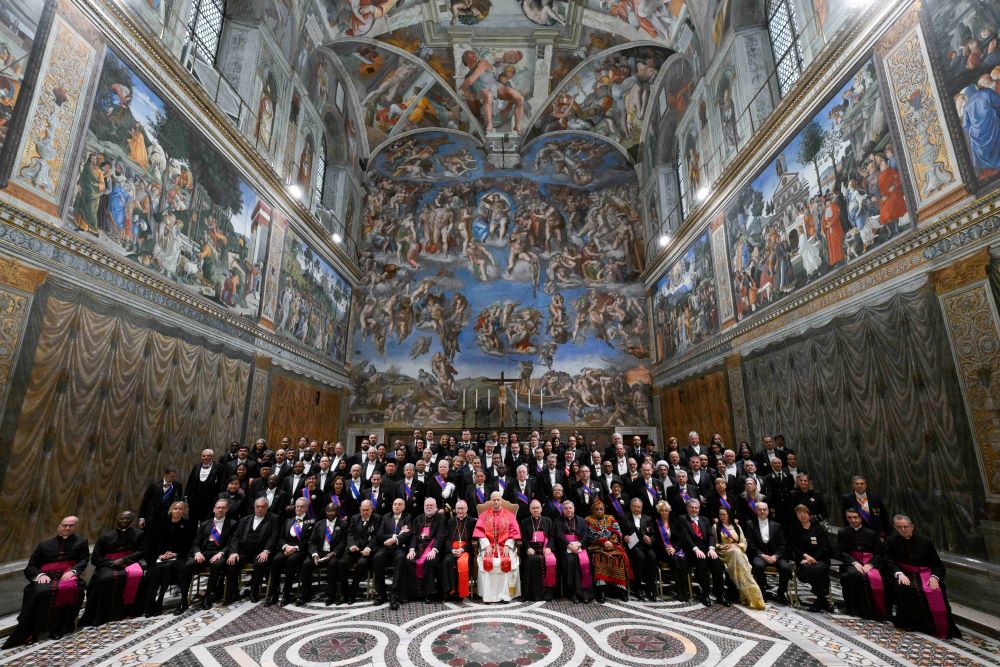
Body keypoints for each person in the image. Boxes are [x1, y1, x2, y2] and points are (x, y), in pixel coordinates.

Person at [3, 517, 89, 648]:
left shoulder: (81, 542)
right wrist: (39, 575)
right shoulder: (44, 545)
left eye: (70, 526)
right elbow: (32, 565)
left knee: (71, 590)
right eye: (64, 525)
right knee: (40, 592)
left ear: (75, 527)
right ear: (59, 526)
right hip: (46, 577)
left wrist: (74, 571)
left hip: (67, 576)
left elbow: (83, 560)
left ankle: (58, 628)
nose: (67, 528)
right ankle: (32, 631)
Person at [885, 514, 961, 638]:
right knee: (907, 588)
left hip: (926, 574)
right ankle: (914, 624)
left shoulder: (925, 542)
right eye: (899, 527)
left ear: (912, 526)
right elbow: (889, 561)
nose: (903, 530)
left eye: (906, 526)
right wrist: (899, 573)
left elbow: (937, 565)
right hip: (905, 574)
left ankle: (941, 626)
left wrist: (934, 577)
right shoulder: (891, 541)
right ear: (895, 527)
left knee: (936, 588)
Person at [79, 511, 145, 627]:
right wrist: (111, 562)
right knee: (105, 579)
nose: (125, 521)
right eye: (122, 518)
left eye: (128, 518)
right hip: (108, 565)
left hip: (129, 562)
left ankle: (130, 611)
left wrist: (124, 560)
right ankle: (102, 615)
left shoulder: (139, 534)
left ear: (132, 520)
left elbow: (142, 551)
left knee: (137, 575)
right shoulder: (105, 536)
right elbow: (95, 558)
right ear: (117, 519)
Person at [176, 498, 236, 613]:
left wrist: (221, 552)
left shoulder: (232, 524)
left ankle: (208, 596)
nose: (220, 509)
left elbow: (231, 543)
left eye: (223, 507)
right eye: (218, 507)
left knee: (217, 564)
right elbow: (195, 543)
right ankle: (183, 600)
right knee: (188, 565)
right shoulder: (204, 524)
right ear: (214, 509)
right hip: (204, 552)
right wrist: (197, 553)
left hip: (219, 552)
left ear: (227, 509)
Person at [142, 501, 194, 616]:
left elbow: (189, 544)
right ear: (171, 510)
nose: (177, 511)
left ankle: (179, 601)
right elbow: (153, 544)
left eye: (180, 509)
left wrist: (175, 554)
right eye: (175, 509)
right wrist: (160, 555)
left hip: (180, 556)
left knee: (171, 568)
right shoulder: (161, 524)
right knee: (154, 572)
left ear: (184, 511)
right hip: (162, 557)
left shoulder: (188, 525)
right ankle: (151, 603)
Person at [837, 507, 888, 620]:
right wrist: (854, 563)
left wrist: (870, 565)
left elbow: (879, 553)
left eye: (855, 517)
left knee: (878, 578)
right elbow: (841, 552)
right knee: (851, 575)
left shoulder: (872, 533)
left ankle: (874, 610)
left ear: (860, 518)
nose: (853, 520)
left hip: (869, 563)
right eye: (850, 518)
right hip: (851, 563)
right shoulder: (842, 532)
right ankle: (854, 608)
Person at [228, 498, 279, 604]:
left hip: (261, 552)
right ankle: (234, 593)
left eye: (263, 507)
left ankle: (254, 591)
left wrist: (266, 551)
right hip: (244, 552)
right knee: (231, 563)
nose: (260, 509)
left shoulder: (274, 519)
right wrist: (234, 552)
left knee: (260, 564)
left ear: (267, 507)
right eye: (257, 507)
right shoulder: (245, 520)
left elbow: (274, 536)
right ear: (254, 507)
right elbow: (235, 537)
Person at [473, 491, 522, 602]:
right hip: (489, 547)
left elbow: (514, 532)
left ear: (501, 500)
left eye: (498, 500)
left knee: (507, 561)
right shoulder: (484, 515)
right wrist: (486, 546)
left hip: (504, 547)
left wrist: (508, 545)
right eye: (494, 500)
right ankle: (488, 596)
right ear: (491, 501)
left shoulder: (509, 515)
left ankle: (505, 595)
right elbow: (480, 532)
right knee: (487, 561)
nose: (496, 502)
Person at [714, 508, 765, 609]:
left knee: (739, 557)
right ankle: (750, 595)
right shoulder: (716, 527)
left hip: (737, 552)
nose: (722, 516)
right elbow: (714, 543)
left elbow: (744, 542)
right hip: (724, 553)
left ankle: (749, 596)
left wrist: (736, 546)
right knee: (737, 555)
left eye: (724, 514)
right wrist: (722, 546)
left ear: (729, 515)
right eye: (720, 515)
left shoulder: (737, 527)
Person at [679, 499, 726, 607]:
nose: (694, 510)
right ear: (687, 508)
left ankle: (720, 595)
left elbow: (710, 536)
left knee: (717, 564)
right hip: (692, 550)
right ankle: (705, 594)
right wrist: (695, 549)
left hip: (706, 548)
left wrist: (711, 548)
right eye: (692, 507)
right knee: (702, 563)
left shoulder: (705, 520)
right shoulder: (682, 519)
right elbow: (685, 537)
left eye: (696, 508)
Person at [268, 497, 314, 606]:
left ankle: (286, 594)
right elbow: (280, 537)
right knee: (275, 560)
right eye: (297, 506)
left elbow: (309, 540)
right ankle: (273, 594)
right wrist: (285, 546)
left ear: (306, 508)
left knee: (291, 561)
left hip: (301, 550)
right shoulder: (288, 521)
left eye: (302, 506)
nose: (299, 508)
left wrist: (295, 548)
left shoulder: (311, 521)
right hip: (286, 548)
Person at [585, 499, 632, 602]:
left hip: (613, 545)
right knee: (599, 558)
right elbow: (588, 536)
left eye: (601, 509)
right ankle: (601, 590)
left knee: (619, 558)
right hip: (597, 547)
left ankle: (621, 589)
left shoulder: (611, 518)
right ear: (593, 510)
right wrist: (603, 542)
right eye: (596, 509)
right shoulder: (588, 520)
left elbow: (617, 532)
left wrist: (611, 541)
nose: (599, 511)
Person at [745, 502, 792, 605]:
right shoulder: (750, 524)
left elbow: (783, 544)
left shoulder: (777, 525)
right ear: (756, 511)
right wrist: (761, 555)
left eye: (764, 509)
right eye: (760, 509)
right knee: (757, 565)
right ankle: (762, 591)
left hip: (775, 555)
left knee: (785, 568)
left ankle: (781, 592)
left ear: (768, 511)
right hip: (760, 554)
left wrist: (776, 556)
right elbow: (749, 543)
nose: (762, 511)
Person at [300, 502, 347, 606]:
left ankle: (331, 595)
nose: (330, 513)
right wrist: (314, 554)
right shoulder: (319, 524)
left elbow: (343, 543)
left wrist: (333, 553)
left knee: (333, 565)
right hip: (319, 553)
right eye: (328, 511)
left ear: (337, 512)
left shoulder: (342, 524)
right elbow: (311, 541)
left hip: (333, 553)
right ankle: (305, 594)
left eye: (332, 511)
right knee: (306, 564)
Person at [403, 497, 447, 605]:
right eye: (427, 505)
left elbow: (441, 535)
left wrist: (434, 550)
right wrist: (411, 549)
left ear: (436, 507)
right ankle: (413, 593)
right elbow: (414, 536)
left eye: (431, 505)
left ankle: (428, 594)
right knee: (409, 560)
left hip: (432, 548)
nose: (429, 507)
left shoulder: (441, 518)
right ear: (423, 506)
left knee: (430, 562)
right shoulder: (418, 519)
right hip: (418, 549)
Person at [790, 504, 832, 612]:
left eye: (804, 513)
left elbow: (825, 547)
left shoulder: (818, 528)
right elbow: (794, 547)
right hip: (803, 559)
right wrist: (806, 556)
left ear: (809, 514)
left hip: (821, 559)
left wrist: (813, 558)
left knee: (817, 568)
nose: (802, 515)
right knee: (810, 569)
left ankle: (819, 601)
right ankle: (823, 599)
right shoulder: (795, 529)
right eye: (799, 513)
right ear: (796, 516)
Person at [338, 499, 380, 604]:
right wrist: (351, 545)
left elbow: (376, 536)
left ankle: (352, 593)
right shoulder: (354, 518)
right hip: (354, 549)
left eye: (367, 510)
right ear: (360, 509)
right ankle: (345, 593)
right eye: (363, 510)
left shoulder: (377, 518)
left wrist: (369, 548)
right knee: (342, 563)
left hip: (366, 551)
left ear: (371, 510)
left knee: (361, 564)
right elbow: (350, 534)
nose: (364, 512)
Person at [373, 497, 412, 606]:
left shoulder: (408, 517)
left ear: (403, 507)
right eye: (395, 504)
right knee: (377, 558)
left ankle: (394, 594)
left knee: (400, 559)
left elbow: (407, 534)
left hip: (399, 548)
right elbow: (380, 535)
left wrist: (395, 540)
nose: (397, 506)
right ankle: (381, 594)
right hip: (386, 548)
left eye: (399, 504)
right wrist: (394, 535)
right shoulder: (386, 517)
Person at [555, 500, 593, 603]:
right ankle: (574, 593)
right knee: (571, 560)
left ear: (574, 509)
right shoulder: (558, 521)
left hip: (580, 547)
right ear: (563, 510)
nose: (568, 510)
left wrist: (579, 544)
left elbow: (585, 535)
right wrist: (569, 546)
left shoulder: (581, 520)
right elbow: (559, 536)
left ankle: (585, 593)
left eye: (570, 508)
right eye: (566, 508)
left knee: (585, 561)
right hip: (566, 548)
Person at [650, 500, 689, 601]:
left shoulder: (675, 521)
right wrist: (665, 547)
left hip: (675, 549)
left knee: (683, 560)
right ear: (659, 511)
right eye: (662, 510)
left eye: (666, 510)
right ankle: (679, 591)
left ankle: (685, 590)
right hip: (662, 551)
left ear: (669, 511)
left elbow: (680, 538)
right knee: (676, 560)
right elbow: (655, 540)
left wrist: (674, 548)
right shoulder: (655, 523)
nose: (664, 512)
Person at [519, 500, 557, 601]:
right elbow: (523, 538)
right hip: (532, 549)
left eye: (537, 508)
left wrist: (549, 547)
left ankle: (548, 593)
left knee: (551, 561)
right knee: (532, 560)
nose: (536, 510)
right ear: (530, 509)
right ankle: (534, 594)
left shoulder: (548, 520)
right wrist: (528, 548)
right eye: (533, 508)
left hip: (545, 549)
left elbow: (552, 536)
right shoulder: (524, 522)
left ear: (541, 509)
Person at [621, 498, 657, 601]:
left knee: (652, 557)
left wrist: (650, 540)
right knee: (640, 557)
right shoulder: (625, 517)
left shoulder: (648, 518)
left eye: (639, 507)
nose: (637, 509)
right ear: (630, 506)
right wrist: (624, 537)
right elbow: (620, 533)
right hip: (632, 546)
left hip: (645, 545)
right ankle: (638, 587)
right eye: (634, 506)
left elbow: (654, 535)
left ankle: (650, 588)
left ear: (642, 507)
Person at [440, 499, 475, 601]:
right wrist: (451, 550)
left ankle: (460, 592)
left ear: (467, 509)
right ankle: (449, 591)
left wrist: (463, 549)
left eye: (462, 508)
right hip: (453, 549)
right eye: (458, 509)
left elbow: (473, 540)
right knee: (446, 561)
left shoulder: (472, 521)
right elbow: (446, 539)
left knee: (462, 562)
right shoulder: (450, 521)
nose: (460, 511)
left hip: (466, 550)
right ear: (455, 509)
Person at [186, 449, 226, 521]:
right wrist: (187, 495)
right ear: (201, 457)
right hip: (194, 500)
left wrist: (219, 497)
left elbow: (221, 483)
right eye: (204, 456)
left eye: (208, 456)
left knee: (205, 521)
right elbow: (190, 481)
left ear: (212, 456)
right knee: (192, 521)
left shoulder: (219, 467)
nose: (206, 457)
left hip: (209, 500)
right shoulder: (196, 466)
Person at [138, 467, 182, 531]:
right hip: (152, 516)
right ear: (165, 475)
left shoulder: (177, 485)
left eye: (174, 476)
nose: (173, 478)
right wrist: (141, 517)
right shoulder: (154, 485)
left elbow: (178, 500)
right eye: (171, 476)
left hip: (167, 517)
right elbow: (145, 501)